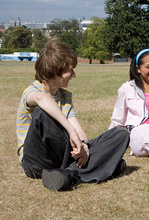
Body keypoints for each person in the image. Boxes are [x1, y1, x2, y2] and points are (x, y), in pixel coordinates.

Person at [16, 39, 130, 191]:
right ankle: (103, 165)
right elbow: (41, 99)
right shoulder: (32, 91)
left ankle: (69, 174)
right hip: (36, 162)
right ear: (56, 70)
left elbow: (78, 128)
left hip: (62, 157)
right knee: (42, 112)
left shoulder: (65, 97)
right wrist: (71, 131)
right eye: (71, 70)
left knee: (120, 134)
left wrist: (84, 144)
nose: (74, 74)